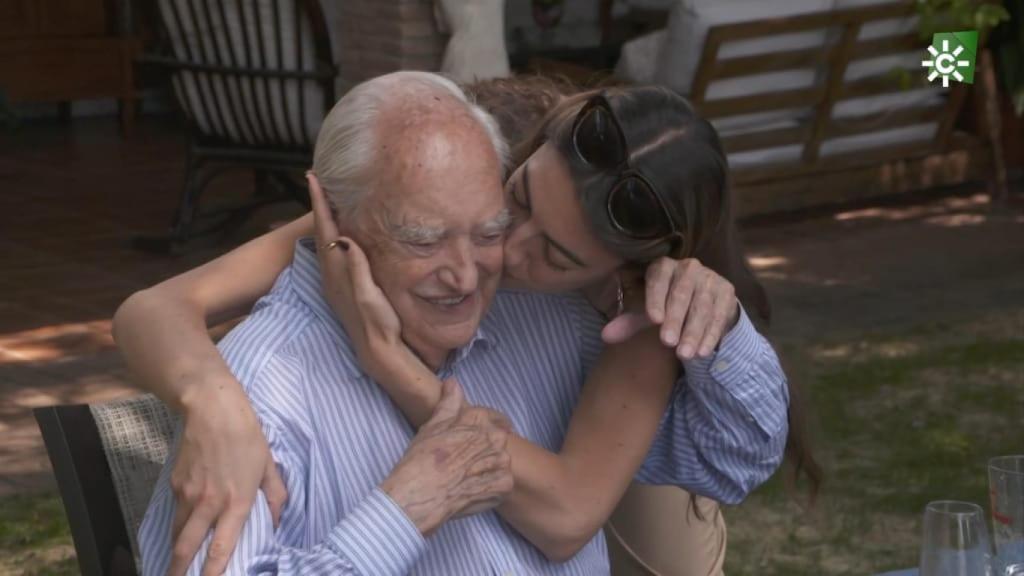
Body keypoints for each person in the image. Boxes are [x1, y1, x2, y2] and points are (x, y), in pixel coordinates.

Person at [120, 74, 813, 576]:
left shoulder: (581, 322)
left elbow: (731, 459)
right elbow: (157, 307)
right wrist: (216, 403)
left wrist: (718, 331)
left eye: (552, 252)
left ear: (620, 270)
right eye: (511, 207)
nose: (491, 262)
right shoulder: (274, 378)